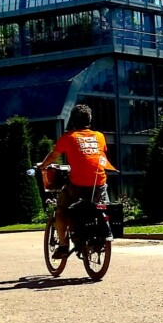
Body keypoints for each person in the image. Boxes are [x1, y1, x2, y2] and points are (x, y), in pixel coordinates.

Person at [38, 104, 111, 258]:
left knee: (62, 209)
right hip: (99, 183)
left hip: (78, 185)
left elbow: (53, 156)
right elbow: (95, 156)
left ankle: (64, 246)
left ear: (73, 120)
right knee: (100, 206)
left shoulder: (68, 138)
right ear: (89, 119)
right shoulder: (99, 136)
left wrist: (43, 166)